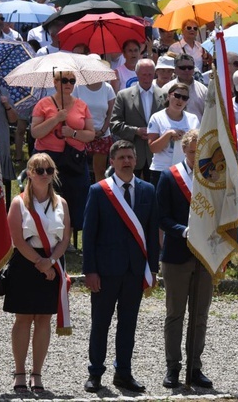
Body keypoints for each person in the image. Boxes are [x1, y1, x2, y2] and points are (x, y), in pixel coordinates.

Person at [82, 140, 160, 393]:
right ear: (112, 161)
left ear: (136, 161)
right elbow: (89, 235)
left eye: (130, 157)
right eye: (122, 157)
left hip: (135, 271)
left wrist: (152, 269)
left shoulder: (148, 190)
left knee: (128, 324)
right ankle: (95, 373)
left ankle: (123, 373)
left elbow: (151, 233)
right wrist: (90, 270)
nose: (127, 161)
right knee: (100, 323)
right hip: (105, 271)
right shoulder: (98, 191)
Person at [5, 153, 71, 394]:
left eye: (49, 170)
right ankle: (20, 372)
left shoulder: (61, 203)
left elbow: (64, 239)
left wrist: (51, 262)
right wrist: (40, 263)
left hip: (52, 262)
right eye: (39, 170)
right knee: (23, 318)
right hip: (26, 263)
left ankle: (37, 373)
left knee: (44, 319)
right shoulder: (18, 202)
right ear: (30, 173)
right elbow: (17, 239)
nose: (44, 175)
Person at [157, 129, 213, 388]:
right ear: (184, 151)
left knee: (199, 315)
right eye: (192, 151)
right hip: (177, 255)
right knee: (175, 314)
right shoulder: (170, 177)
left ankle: (195, 366)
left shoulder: (214, 178)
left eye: (200, 151)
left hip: (205, 256)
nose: (196, 155)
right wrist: (183, 231)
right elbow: (162, 217)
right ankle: (173, 367)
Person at [31, 70, 95, 241]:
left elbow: (90, 134)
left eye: (72, 81)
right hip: (48, 159)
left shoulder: (82, 105)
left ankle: (69, 237)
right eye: (64, 80)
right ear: (55, 82)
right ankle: (48, 233)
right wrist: (56, 119)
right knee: (48, 196)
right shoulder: (43, 104)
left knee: (77, 194)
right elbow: (35, 132)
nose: (68, 84)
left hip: (74, 158)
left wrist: (73, 133)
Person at [111, 59, 167, 183]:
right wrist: (136, 131)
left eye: (150, 74)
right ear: (136, 74)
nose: (147, 78)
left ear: (155, 74)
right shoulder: (123, 95)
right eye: (143, 74)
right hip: (131, 155)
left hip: (157, 156)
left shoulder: (165, 95)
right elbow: (114, 124)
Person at [147, 83, 200, 187]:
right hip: (161, 169)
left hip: (185, 170)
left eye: (184, 98)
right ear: (168, 96)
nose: (180, 100)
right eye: (177, 96)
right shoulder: (157, 117)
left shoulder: (193, 119)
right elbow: (153, 148)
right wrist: (168, 134)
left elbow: (198, 146)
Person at [72, 78, 115, 182]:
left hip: (102, 135)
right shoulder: (77, 87)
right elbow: (74, 110)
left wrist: (103, 130)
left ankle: (99, 195)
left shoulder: (108, 88)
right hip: (82, 134)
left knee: (100, 171)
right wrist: (86, 131)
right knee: (79, 170)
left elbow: (111, 113)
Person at [162, 54, 208, 119]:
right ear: (175, 69)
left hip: (197, 128)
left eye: (190, 68)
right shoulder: (166, 89)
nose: (187, 70)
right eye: (183, 68)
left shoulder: (203, 90)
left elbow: (208, 115)